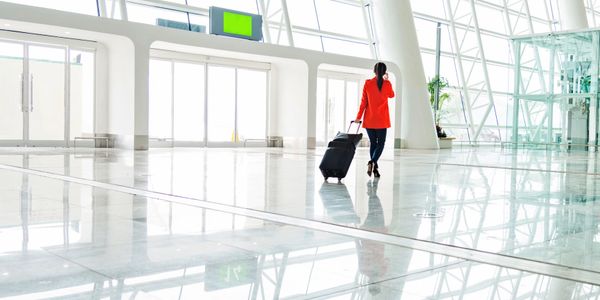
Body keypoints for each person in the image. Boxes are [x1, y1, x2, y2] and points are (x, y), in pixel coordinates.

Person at [355, 62, 395, 177]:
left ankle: (374, 167)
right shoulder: (387, 84)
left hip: (370, 120)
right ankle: (372, 162)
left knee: (373, 142)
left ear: (374, 71)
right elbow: (392, 95)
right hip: (382, 120)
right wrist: (387, 79)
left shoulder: (368, 83)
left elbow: (363, 103)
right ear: (384, 72)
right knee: (381, 143)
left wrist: (358, 117)